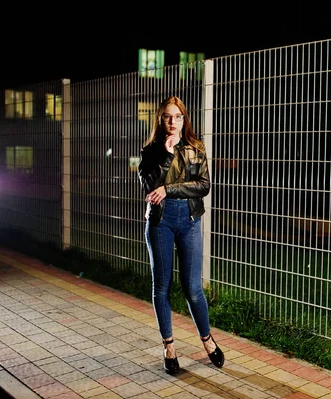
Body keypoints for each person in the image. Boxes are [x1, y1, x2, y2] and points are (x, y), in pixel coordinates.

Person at [138, 96, 224, 375]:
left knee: (193, 288)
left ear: (184, 119)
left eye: (178, 117)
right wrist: (166, 155)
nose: (173, 122)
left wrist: (170, 189)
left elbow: (203, 185)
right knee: (161, 286)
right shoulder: (150, 150)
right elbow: (149, 186)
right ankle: (169, 347)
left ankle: (207, 340)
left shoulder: (196, 148)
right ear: (160, 120)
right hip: (160, 221)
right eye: (167, 117)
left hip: (188, 219)